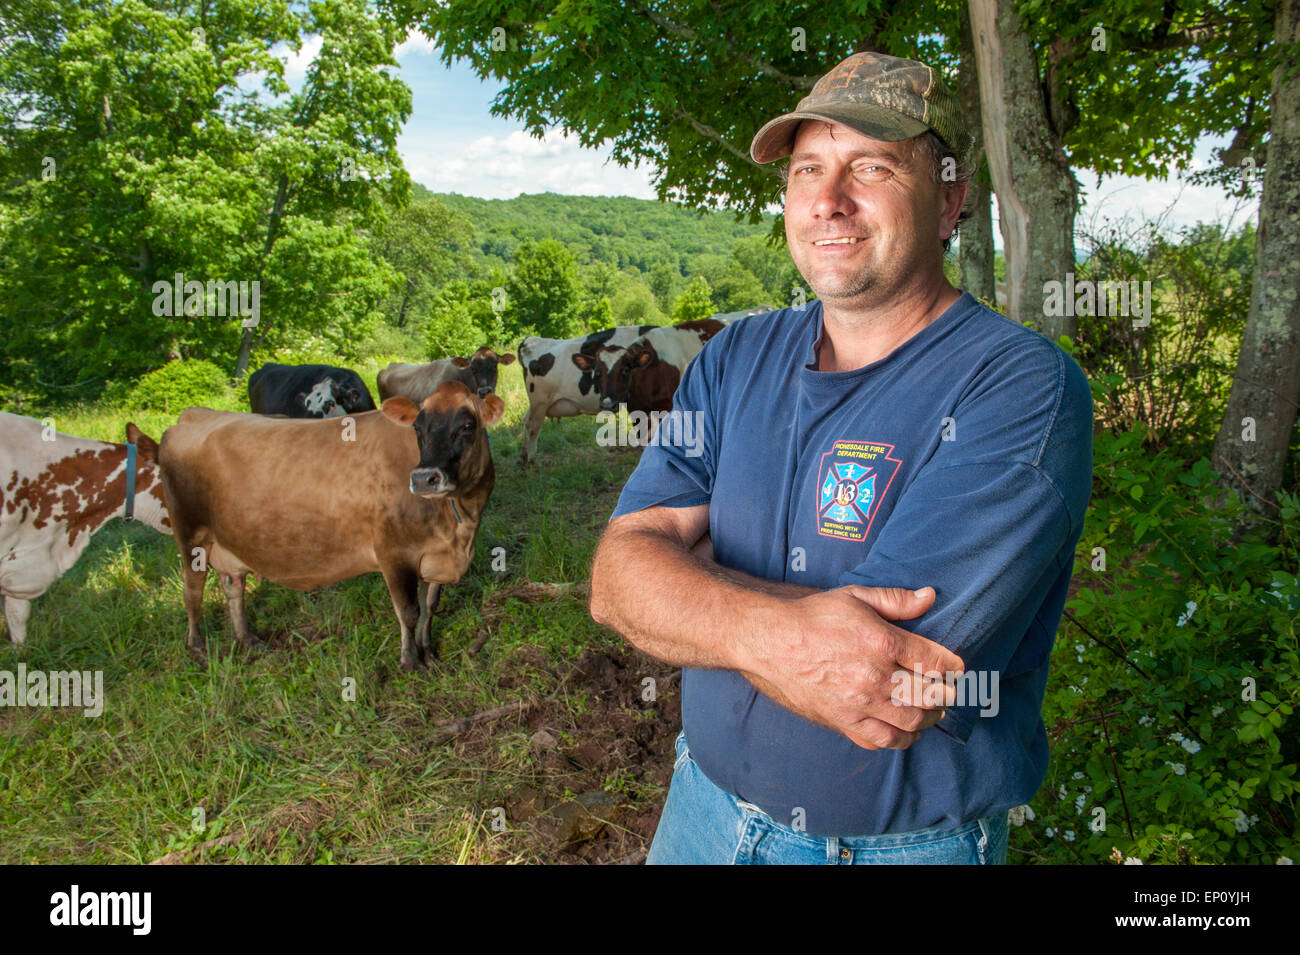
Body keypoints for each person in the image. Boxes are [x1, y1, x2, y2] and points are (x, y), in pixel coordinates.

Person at [588, 51, 1093, 865]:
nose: (828, 200)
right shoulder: (732, 357)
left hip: (897, 849)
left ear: (952, 200)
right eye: (808, 168)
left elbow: (879, 678)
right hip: (701, 814)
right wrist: (783, 621)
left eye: (872, 167)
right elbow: (616, 581)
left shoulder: (1022, 388)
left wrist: (696, 576)